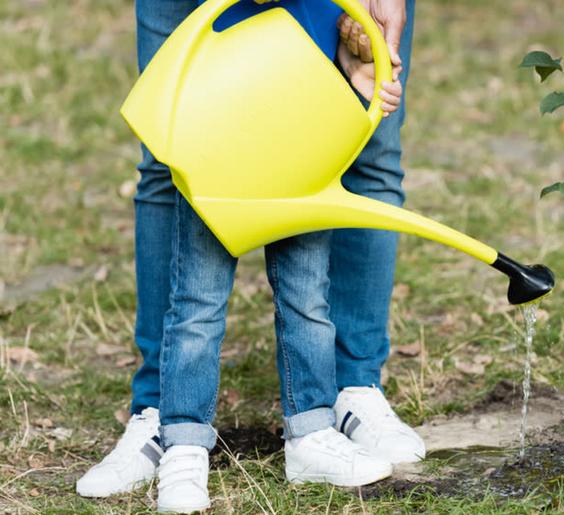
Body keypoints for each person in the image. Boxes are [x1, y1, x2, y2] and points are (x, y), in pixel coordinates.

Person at [76, 0, 423, 501]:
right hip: (216, 123)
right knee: (183, 237)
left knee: (309, 281)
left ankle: (326, 415)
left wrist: (351, 64)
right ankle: (174, 431)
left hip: (301, 116)